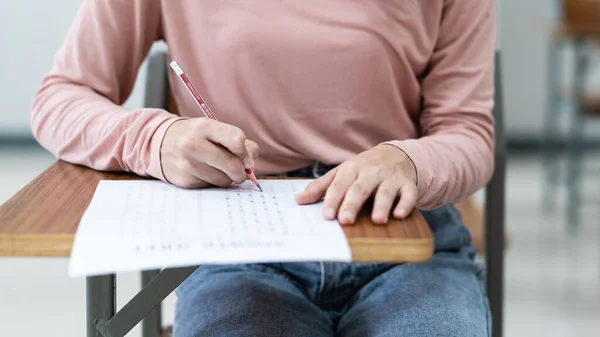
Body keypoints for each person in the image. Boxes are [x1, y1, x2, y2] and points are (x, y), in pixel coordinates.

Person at [31, 0, 496, 336]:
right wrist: (156, 139)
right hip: (235, 246)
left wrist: (410, 162)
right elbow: (59, 100)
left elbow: (468, 133)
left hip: (404, 244)